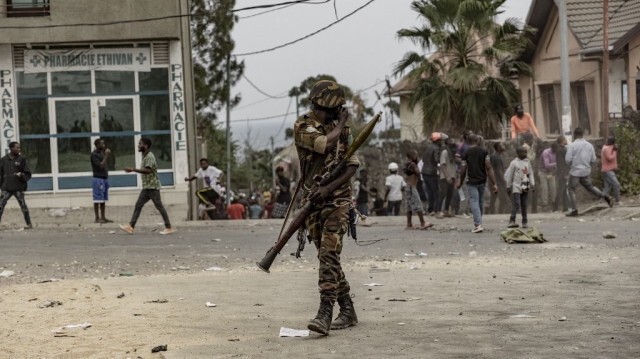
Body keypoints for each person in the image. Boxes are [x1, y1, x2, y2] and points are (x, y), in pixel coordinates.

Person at [293, 80, 360, 335]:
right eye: (338, 106)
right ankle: (348, 307)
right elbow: (323, 144)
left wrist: (329, 189)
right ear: (326, 106)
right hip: (311, 202)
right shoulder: (303, 125)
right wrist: (341, 125)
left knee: (330, 253)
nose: (342, 110)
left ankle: (325, 311)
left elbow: (352, 165)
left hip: (338, 200)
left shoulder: (343, 129)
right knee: (326, 256)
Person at [119, 138, 174, 235]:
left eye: (140, 144)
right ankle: (131, 227)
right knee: (138, 205)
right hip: (147, 187)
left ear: (146, 146)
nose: (138, 146)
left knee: (159, 206)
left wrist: (133, 169)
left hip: (152, 187)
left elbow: (148, 171)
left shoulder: (149, 156)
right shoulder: (144, 156)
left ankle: (168, 227)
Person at [565, 128, 613, 216]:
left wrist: (573, 164)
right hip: (586, 170)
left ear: (575, 135)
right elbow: (593, 159)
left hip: (575, 171)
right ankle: (606, 196)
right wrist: (587, 165)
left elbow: (568, 160)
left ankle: (574, 209)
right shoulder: (589, 145)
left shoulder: (572, 146)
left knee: (571, 189)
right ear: (582, 135)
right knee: (590, 187)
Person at [457, 134, 498, 233]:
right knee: (479, 201)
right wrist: (494, 183)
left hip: (471, 181)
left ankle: (478, 224)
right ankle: (479, 222)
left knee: (474, 201)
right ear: (477, 141)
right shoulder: (484, 151)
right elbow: (488, 167)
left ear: (468, 141)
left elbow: (463, 170)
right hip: (482, 180)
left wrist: (460, 182)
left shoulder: (466, 153)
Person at [0, 142, 33, 229]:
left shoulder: (22, 159)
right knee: (0, 205)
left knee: (23, 206)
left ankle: (29, 224)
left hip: (18, 188)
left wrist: (21, 175)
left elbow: (27, 173)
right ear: (11, 148)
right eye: (17, 148)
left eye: (19, 148)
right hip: (6, 188)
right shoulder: (3, 160)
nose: (19, 149)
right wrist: (1, 186)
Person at [506, 146, 535, 228]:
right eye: (523, 152)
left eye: (526, 152)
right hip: (516, 185)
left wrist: (532, 184)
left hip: (525, 184)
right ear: (518, 153)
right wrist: (508, 186)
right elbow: (510, 175)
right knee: (516, 203)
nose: (525, 154)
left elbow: (531, 173)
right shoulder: (514, 163)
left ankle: (525, 221)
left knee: (524, 204)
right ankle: (512, 220)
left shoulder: (527, 162)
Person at [404, 150, 433, 230]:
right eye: (416, 155)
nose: (417, 157)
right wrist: (417, 166)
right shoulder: (412, 164)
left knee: (409, 206)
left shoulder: (407, 163)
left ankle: (409, 224)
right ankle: (422, 223)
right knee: (418, 204)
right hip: (411, 187)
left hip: (408, 186)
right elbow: (418, 173)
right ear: (412, 155)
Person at [90, 138, 112, 223]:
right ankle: (97, 218)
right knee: (97, 199)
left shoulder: (101, 154)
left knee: (103, 199)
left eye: (104, 143)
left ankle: (103, 217)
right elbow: (100, 166)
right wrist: (106, 156)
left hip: (104, 179)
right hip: (98, 179)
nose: (104, 145)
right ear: (97, 145)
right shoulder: (94, 155)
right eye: (102, 144)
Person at [421, 132, 442, 215]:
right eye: (440, 140)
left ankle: (430, 210)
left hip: (424, 172)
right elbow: (437, 160)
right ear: (437, 141)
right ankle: (435, 210)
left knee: (429, 192)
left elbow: (423, 159)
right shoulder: (436, 148)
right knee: (436, 192)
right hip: (431, 173)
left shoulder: (428, 147)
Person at [437, 135, 455, 218]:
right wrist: (447, 176)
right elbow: (442, 165)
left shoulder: (453, 153)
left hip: (453, 175)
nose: (453, 143)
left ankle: (446, 211)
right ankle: (438, 211)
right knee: (442, 194)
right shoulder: (445, 152)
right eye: (451, 141)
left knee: (450, 194)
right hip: (444, 177)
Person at [488, 142, 509, 214]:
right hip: (498, 181)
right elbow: (499, 171)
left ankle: (492, 213)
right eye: (502, 145)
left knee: (493, 198)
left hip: (492, 181)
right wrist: (504, 181)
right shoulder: (497, 158)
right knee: (502, 198)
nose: (504, 146)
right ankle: (499, 213)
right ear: (498, 148)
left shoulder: (493, 156)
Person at [601, 136, 621, 206]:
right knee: (616, 184)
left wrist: (614, 149)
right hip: (607, 170)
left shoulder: (610, 147)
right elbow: (610, 158)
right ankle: (617, 200)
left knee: (607, 186)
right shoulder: (605, 148)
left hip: (608, 170)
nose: (606, 142)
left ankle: (603, 200)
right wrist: (615, 151)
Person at [539, 143, 557, 211]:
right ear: (552, 148)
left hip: (551, 172)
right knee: (544, 188)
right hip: (543, 172)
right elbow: (547, 165)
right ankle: (544, 204)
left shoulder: (556, 152)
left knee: (553, 187)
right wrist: (557, 163)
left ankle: (554, 203)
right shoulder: (546, 152)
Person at [554, 136, 569, 212]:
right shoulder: (562, 150)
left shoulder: (559, 149)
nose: (566, 140)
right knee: (561, 190)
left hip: (561, 172)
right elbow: (562, 163)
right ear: (563, 141)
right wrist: (565, 173)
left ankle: (565, 207)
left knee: (563, 190)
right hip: (562, 173)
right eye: (565, 139)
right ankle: (555, 207)